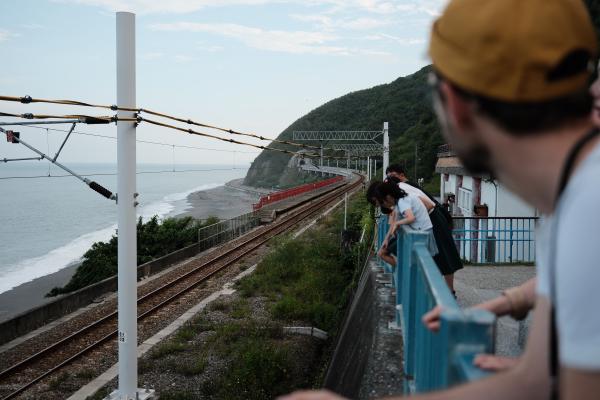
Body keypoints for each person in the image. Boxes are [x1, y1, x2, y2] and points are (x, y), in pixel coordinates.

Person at [279, 0, 600, 399]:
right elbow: (535, 376)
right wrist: (506, 303)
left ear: (456, 103)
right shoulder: (577, 195)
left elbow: (540, 384)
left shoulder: (587, 207)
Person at [386, 165, 463, 292]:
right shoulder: (404, 188)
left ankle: (449, 291)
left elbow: (428, 204)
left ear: (401, 174)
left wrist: (412, 220)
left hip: (434, 218)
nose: (390, 178)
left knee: (444, 255)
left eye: (392, 175)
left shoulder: (404, 188)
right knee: (437, 255)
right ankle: (438, 290)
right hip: (432, 218)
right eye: (388, 176)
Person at [368, 181, 438, 262]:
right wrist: (386, 239)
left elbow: (411, 218)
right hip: (422, 232)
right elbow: (395, 222)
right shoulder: (402, 200)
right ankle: (401, 272)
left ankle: (401, 273)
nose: (383, 205)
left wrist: (397, 223)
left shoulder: (403, 201)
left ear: (388, 197)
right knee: (419, 263)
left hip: (423, 233)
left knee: (421, 264)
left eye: (382, 202)